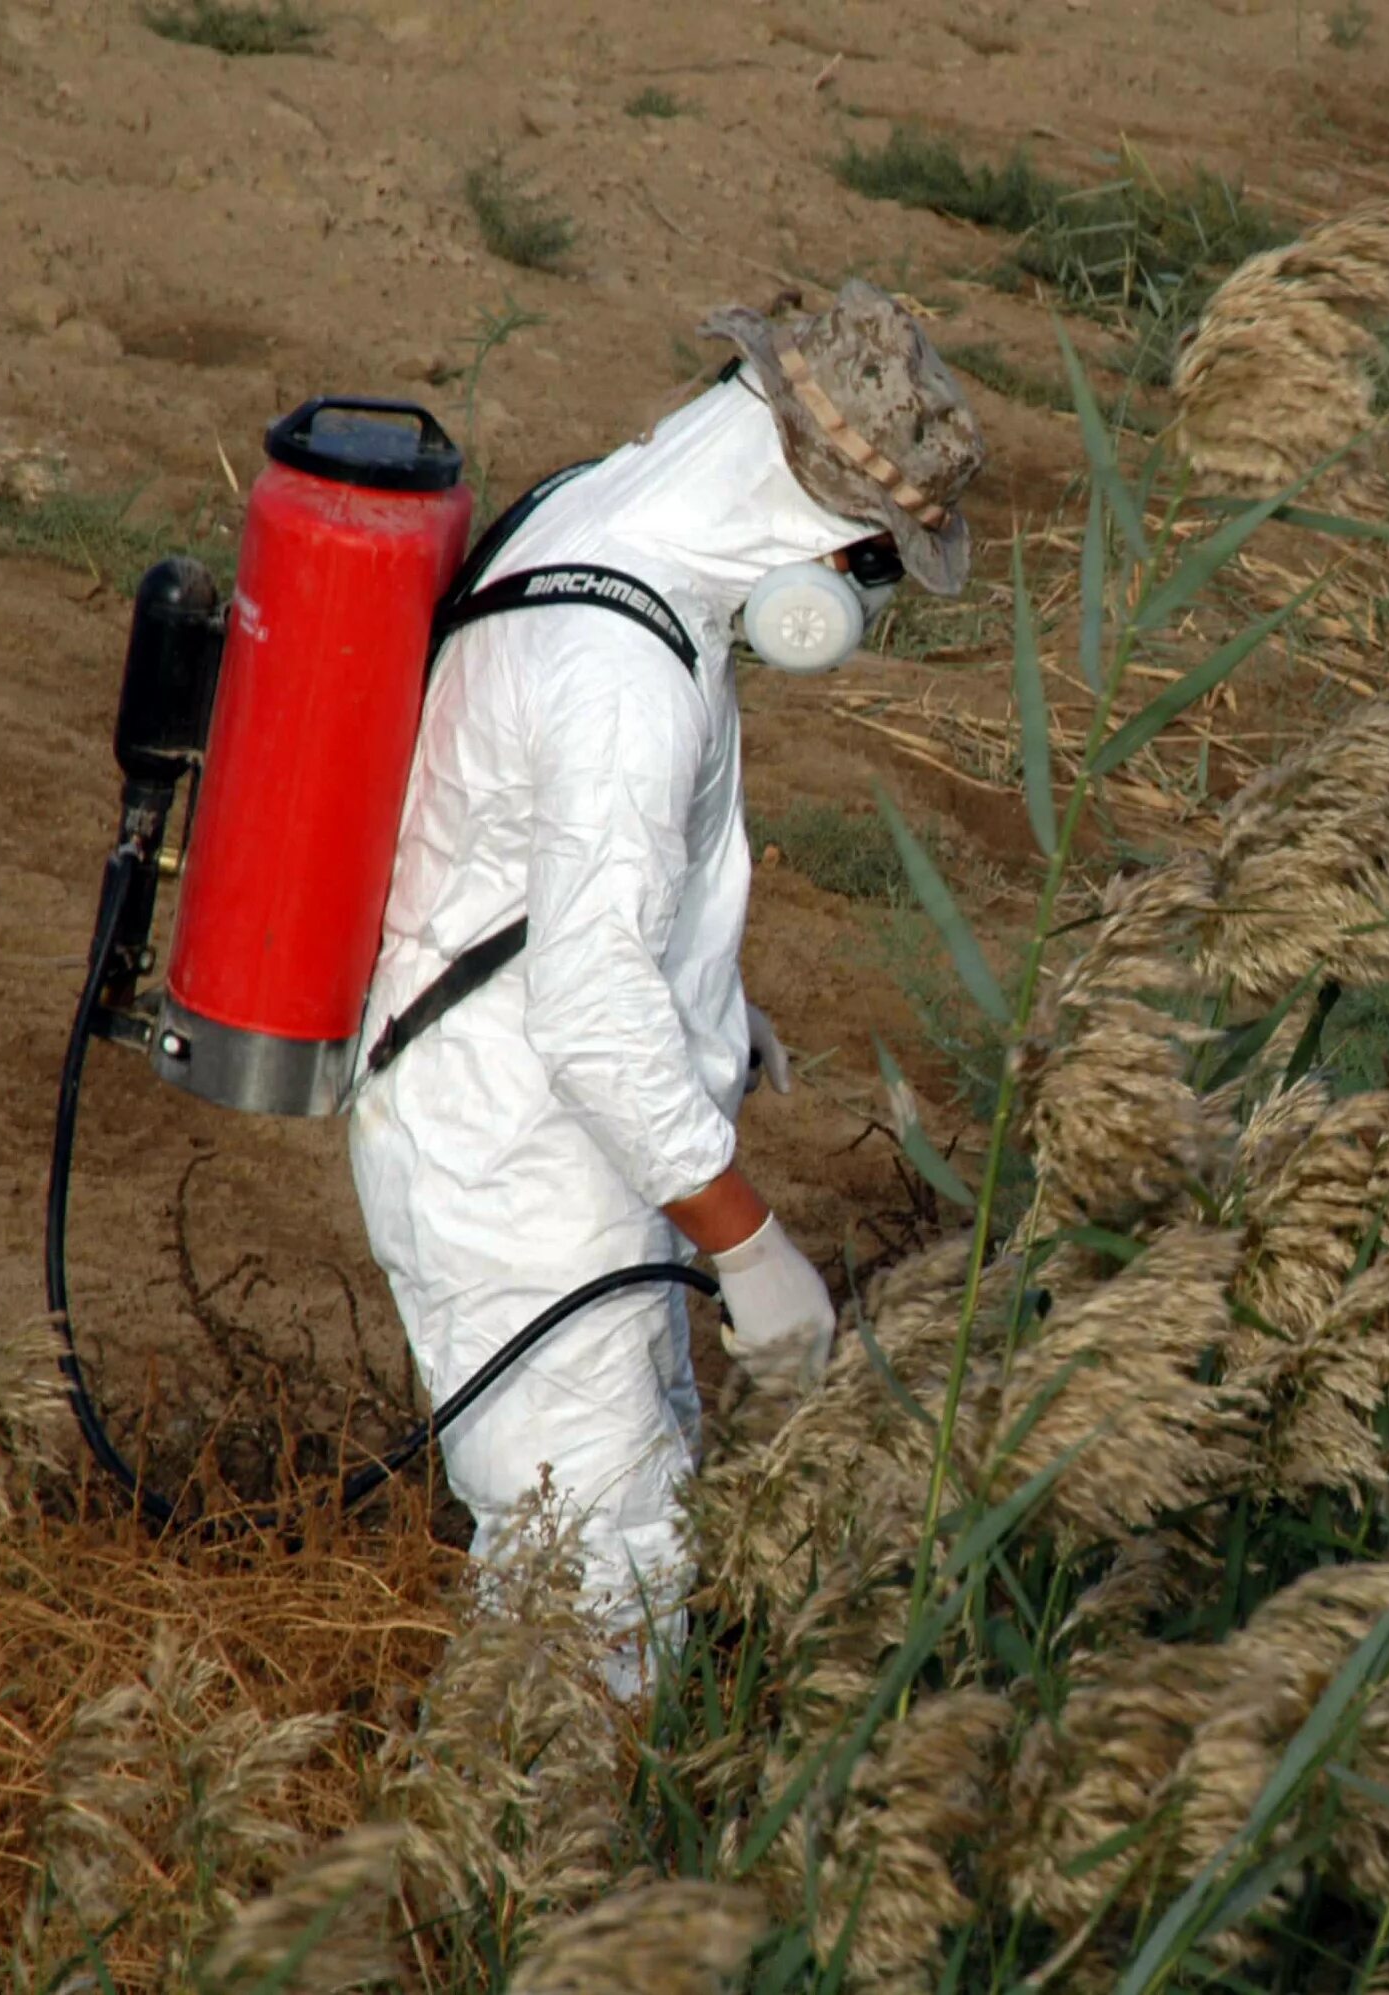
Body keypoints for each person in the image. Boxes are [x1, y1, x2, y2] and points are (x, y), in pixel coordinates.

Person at [346, 283, 987, 1688]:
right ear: (823, 552)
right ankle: (525, 1883)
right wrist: (749, 1243)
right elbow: (586, 1006)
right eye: (875, 569)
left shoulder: (611, 515)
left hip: (531, 1104)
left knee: (630, 1529)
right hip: (517, 1153)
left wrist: (710, 1003)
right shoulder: (626, 671)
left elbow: (543, 865)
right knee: (594, 1590)